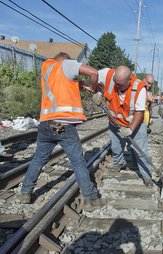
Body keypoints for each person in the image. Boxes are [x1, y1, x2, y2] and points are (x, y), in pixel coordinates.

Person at [19, 52, 101, 211]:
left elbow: (61, 88)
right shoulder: (67, 64)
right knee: (78, 162)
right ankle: (91, 198)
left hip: (46, 124)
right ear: (66, 60)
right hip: (64, 126)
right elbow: (94, 73)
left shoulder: (46, 69)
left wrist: (78, 83)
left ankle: (25, 192)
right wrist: (92, 88)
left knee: (38, 159)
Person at [96, 66, 153, 186]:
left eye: (120, 84)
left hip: (135, 124)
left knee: (140, 150)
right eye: (116, 82)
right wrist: (97, 91)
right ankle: (119, 163)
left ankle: (146, 174)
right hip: (115, 122)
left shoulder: (139, 88)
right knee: (116, 146)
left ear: (129, 79)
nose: (117, 86)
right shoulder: (108, 75)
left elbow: (139, 112)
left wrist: (130, 129)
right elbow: (92, 74)